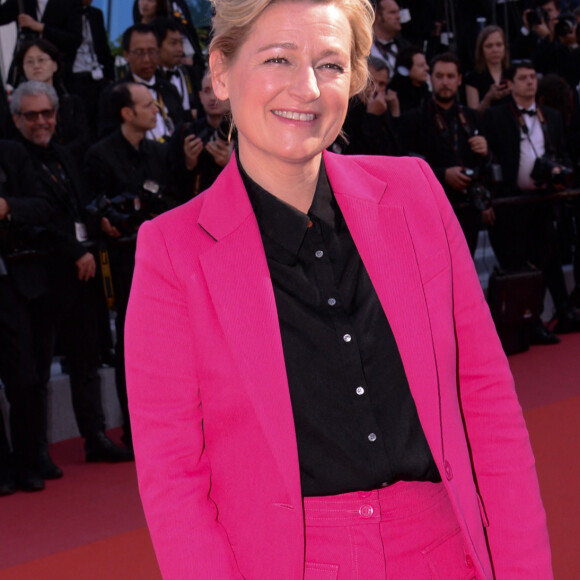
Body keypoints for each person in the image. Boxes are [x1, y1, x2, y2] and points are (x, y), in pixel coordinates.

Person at [125, 0, 553, 578]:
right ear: (221, 72)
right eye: (278, 58)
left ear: (353, 78)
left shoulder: (415, 195)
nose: (306, 88)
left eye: (329, 64)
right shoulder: (172, 252)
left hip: (447, 552)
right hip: (292, 562)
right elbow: (174, 478)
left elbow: (487, 405)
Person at [10, 81, 134, 467]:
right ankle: (38, 451)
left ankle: (94, 436)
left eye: (46, 113)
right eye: (31, 116)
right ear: (16, 119)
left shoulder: (65, 154)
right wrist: (75, 250)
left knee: (87, 359)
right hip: (43, 275)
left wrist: (101, 223)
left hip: (83, 270)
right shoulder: (16, 160)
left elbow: (79, 206)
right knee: (39, 369)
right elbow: (37, 218)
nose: (41, 122)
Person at [84, 82, 176, 448]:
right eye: (147, 104)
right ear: (127, 113)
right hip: (121, 264)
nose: (156, 109)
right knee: (130, 347)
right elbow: (98, 209)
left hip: (162, 259)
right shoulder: (100, 156)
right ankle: (134, 430)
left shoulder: (158, 152)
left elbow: (170, 199)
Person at [484, 60, 580, 343]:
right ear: (510, 83)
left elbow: (560, 152)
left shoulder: (550, 115)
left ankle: (548, 316)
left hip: (544, 199)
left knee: (544, 258)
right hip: (511, 201)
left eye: (532, 77)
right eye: (523, 78)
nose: (530, 82)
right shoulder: (496, 116)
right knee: (517, 261)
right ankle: (524, 323)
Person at [0, 140, 54, 494]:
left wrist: (6, 206)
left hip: (10, 282)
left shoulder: (10, 153)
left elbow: (42, 206)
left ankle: (28, 459)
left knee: (23, 376)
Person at [400, 52, 490, 256]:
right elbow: (406, 166)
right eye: (439, 76)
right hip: (429, 212)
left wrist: (486, 153)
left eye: (450, 76)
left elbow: (487, 165)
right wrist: (443, 174)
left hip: (468, 211)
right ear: (431, 78)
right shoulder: (413, 119)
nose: (445, 82)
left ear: (459, 79)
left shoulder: (472, 117)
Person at [98, 23, 185, 140]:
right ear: (127, 55)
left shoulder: (169, 88)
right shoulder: (114, 94)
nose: (147, 59)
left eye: (152, 51)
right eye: (139, 53)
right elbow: (108, 139)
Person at [14, 39, 90, 163]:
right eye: (29, 62)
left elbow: (83, 140)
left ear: (55, 65)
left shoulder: (72, 102)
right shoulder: (16, 106)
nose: (36, 66)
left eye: (41, 60)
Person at [169, 69, 234, 200]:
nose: (212, 97)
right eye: (207, 91)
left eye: (218, 89)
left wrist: (231, 164)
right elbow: (170, 182)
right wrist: (188, 163)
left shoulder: (247, 134)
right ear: (200, 97)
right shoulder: (185, 132)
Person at [66, 0, 115, 142]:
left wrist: (110, 76)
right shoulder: (65, 12)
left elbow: (103, 47)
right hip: (76, 75)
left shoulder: (96, 14)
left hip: (98, 74)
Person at [0, 0, 82, 81]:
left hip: (58, 73)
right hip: (25, 71)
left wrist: (41, 27)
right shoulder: (21, 2)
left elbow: (74, 39)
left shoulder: (70, 3)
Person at [338, 55, 402, 155]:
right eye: (370, 82)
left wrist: (395, 112)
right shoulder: (344, 110)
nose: (375, 89)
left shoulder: (382, 108)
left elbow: (397, 153)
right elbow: (354, 152)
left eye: (382, 84)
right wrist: (372, 117)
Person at [464, 25, 511, 113]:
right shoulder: (473, 78)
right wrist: (488, 98)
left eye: (499, 45)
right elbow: (473, 116)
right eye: (489, 46)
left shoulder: (513, 73)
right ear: (481, 50)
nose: (495, 50)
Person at [370, 0, 410, 77]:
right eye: (392, 12)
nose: (398, 17)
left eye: (398, 12)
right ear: (377, 15)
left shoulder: (406, 49)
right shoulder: (361, 45)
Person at [387, 46, 430, 113]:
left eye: (426, 64)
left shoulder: (427, 93)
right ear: (405, 70)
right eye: (421, 65)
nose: (427, 68)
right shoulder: (393, 96)